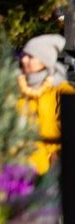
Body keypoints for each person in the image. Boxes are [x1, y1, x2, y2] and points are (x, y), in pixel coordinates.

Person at [17, 34, 74, 173]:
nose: (24, 59)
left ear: (45, 61)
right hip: (15, 167)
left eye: (30, 56)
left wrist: (58, 154)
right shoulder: (14, 87)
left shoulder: (64, 91)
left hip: (52, 170)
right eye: (24, 55)